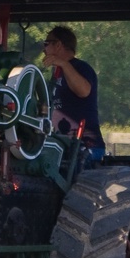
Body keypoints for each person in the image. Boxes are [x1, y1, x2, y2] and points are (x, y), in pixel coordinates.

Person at [41, 26, 105, 160]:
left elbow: (84, 91)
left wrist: (64, 64)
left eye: (46, 44)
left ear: (58, 44)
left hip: (86, 147)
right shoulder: (57, 73)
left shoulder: (81, 67)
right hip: (64, 145)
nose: (43, 49)